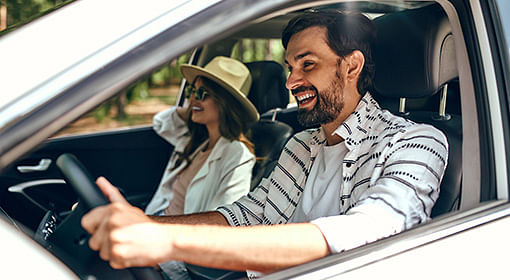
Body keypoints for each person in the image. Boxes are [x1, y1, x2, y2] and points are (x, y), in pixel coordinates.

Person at [81, 10, 448, 276]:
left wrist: (171, 242)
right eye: (290, 67)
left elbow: (363, 234)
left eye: (307, 65)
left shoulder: (416, 142)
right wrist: (149, 227)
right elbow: (244, 217)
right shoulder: (302, 145)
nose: (291, 82)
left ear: (351, 67)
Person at [144, 56, 258, 217]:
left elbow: (226, 220)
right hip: (156, 216)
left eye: (202, 93)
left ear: (225, 102)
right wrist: (193, 108)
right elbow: (160, 122)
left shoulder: (238, 156)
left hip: (177, 234)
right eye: (191, 91)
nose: (191, 98)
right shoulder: (195, 140)